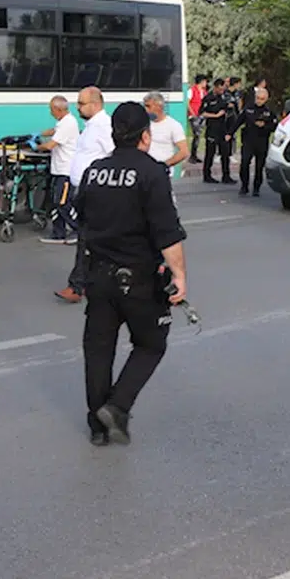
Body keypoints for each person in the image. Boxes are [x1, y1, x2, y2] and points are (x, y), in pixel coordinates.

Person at [75, 101, 188, 446]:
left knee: (98, 350)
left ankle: (98, 427)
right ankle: (118, 405)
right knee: (152, 344)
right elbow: (167, 233)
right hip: (138, 278)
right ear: (145, 135)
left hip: (97, 275)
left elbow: (82, 218)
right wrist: (180, 275)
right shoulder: (152, 172)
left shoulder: (95, 171)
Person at [55, 87, 115, 304]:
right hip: (84, 190)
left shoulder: (103, 127)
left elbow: (113, 154)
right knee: (90, 239)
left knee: (86, 239)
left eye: (81, 103)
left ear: (95, 104)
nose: (77, 107)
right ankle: (90, 282)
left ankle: (77, 285)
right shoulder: (90, 127)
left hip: (96, 192)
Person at [37, 95, 79, 245]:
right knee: (56, 203)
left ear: (58, 109)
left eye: (51, 109)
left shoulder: (68, 123)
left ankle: (78, 230)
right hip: (59, 170)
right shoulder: (63, 122)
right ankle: (58, 233)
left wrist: (35, 146)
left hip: (66, 171)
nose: (50, 112)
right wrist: (39, 134)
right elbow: (53, 130)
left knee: (63, 203)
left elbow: (50, 145)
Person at [233, 87, 278, 197]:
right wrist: (229, 133)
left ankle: (256, 187)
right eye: (257, 98)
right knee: (244, 163)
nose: (259, 101)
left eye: (262, 99)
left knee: (259, 166)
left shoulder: (269, 111)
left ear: (266, 99)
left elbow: (274, 126)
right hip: (248, 140)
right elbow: (239, 121)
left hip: (262, 141)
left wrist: (265, 126)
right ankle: (244, 186)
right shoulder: (248, 109)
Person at [142, 92, 190, 174]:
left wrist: (164, 165)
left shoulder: (173, 125)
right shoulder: (143, 124)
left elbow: (184, 152)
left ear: (159, 106)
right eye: (145, 106)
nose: (146, 109)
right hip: (144, 172)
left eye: (148, 106)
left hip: (162, 173)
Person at [200, 78, 234, 184]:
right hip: (212, 129)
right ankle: (207, 175)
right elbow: (202, 113)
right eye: (219, 89)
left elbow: (226, 108)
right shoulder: (208, 98)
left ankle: (226, 175)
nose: (221, 91)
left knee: (225, 153)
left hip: (223, 129)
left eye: (223, 89)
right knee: (210, 153)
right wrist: (215, 115)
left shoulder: (223, 97)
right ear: (215, 87)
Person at [187, 75, 208, 164]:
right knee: (196, 134)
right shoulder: (191, 90)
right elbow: (187, 103)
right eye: (205, 82)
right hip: (194, 116)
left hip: (202, 116)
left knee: (198, 136)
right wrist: (193, 113)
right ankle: (192, 155)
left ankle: (194, 155)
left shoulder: (204, 92)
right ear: (202, 81)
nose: (206, 84)